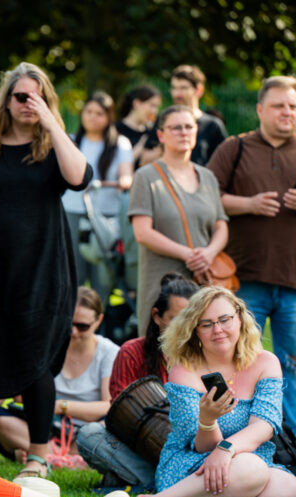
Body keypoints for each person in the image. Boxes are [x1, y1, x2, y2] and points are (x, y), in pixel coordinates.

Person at [0, 62, 91, 479]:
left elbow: (79, 178)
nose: (30, 103)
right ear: (6, 101)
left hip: (41, 272)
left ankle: (37, 457)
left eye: (39, 96)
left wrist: (50, 121)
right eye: (22, 96)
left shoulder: (52, 149)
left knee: (36, 360)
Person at [207, 75, 296, 440]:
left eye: (293, 106)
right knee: (238, 359)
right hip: (243, 280)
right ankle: (239, 432)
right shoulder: (234, 148)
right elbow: (207, 196)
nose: (287, 112)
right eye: (278, 105)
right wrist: (248, 204)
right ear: (260, 109)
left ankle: (295, 438)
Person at [104, 287, 296, 497]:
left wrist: (226, 449)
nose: (217, 330)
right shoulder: (184, 370)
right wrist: (207, 420)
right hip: (193, 465)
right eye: (206, 324)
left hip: (242, 456)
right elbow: (202, 446)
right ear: (195, 331)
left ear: (240, 319)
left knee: (291, 490)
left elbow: (264, 426)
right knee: (252, 469)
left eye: (224, 320)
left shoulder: (265, 363)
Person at [77, 274, 198, 488]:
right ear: (156, 316)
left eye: (193, 320)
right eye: (176, 320)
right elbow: (119, 419)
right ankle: (170, 483)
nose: (185, 329)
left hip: (195, 449)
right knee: (90, 435)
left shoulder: (207, 354)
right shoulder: (132, 352)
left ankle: (143, 480)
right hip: (142, 449)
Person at [0, 287, 117, 471]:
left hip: (88, 428)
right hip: (45, 426)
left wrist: (58, 406)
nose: (73, 332)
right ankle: (67, 459)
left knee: (107, 427)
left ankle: (45, 455)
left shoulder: (108, 352)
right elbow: (20, 396)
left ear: (99, 320)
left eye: (82, 326)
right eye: (68, 324)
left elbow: (108, 405)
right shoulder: (49, 345)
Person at [130, 105, 229, 334]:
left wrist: (209, 253)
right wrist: (186, 254)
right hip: (162, 284)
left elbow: (220, 225)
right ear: (161, 135)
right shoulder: (145, 177)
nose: (184, 132)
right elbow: (142, 232)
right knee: (160, 354)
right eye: (176, 128)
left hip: (202, 283)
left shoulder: (208, 177)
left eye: (188, 127)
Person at [62, 91, 133, 301]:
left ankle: (99, 324)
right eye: (89, 112)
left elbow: (127, 175)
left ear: (109, 117)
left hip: (106, 218)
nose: (93, 117)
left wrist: (122, 183)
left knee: (102, 276)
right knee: (73, 272)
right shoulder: (71, 141)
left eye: (99, 113)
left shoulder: (120, 144)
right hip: (72, 212)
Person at [141, 65, 227, 167]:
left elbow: (224, 163)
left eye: (183, 88)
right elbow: (144, 160)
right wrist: (167, 147)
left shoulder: (213, 125)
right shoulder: (163, 119)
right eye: (174, 88)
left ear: (198, 90)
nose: (177, 94)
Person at [116, 84, 162, 168]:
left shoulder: (152, 132)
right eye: (152, 105)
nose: (154, 111)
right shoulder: (115, 130)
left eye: (157, 107)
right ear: (137, 103)